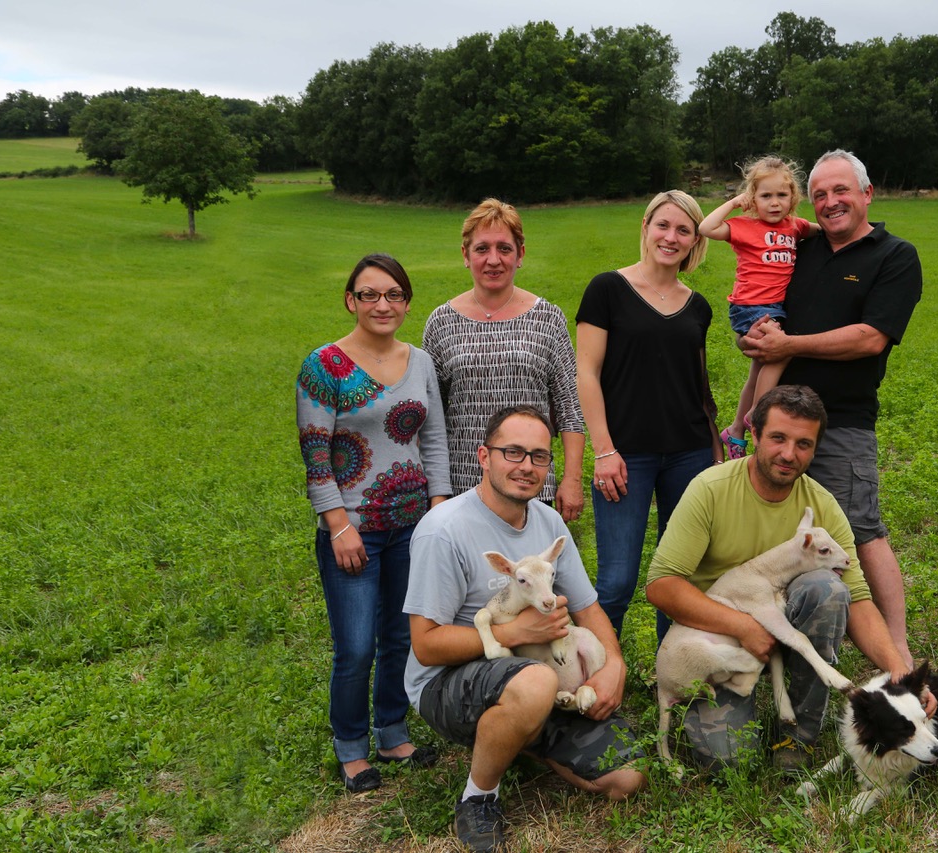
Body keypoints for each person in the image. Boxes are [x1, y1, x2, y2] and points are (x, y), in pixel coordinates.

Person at [646, 385, 929, 774]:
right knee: (726, 763)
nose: (788, 454)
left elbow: (859, 597)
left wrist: (900, 672)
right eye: (778, 438)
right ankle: (729, 701)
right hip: (719, 641)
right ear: (755, 434)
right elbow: (662, 584)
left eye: (803, 444)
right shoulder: (709, 490)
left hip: (783, 623)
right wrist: (743, 627)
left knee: (828, 589)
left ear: (814, 450)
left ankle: (797, 736)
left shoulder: (822, 504)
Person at [405, 405, 644, 853]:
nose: (526, 467)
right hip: (447, 683)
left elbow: (589, 607)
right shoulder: (443, 531)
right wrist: (515, 633)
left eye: (538, 456)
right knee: (537, 680)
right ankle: (478, 798)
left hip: (532, 674)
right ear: (483, 456)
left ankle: (524, 734)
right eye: (512, 452)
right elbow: (426, 646)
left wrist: (614, 664)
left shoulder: (548, 522)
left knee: (626, 778)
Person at [742, 149, 923, 668]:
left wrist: (790, 345)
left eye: (841, 190)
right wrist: (756, 338)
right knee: (777, 536)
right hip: (779, 421)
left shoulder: (894, 256)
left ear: (867, 194)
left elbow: (871, 338)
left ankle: (897, 653)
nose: (830, 202)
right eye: (819, 194)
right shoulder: (804, 247)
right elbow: (767, 311)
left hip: (841, 422)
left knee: (861, 531)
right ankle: (786, 642)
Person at [296, 253, 451, 792]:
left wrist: (439, 507)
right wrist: (339, 525)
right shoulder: (326, 366)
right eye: (369, 294)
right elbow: (316, 453)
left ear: (406, 303)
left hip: (413, 525)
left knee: (400, 636)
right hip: (354, 529)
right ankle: (351, 746)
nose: (382, 304)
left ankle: (392, 732)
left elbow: (433, 440)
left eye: (393, 295)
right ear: (350, 301)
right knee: (357, 645)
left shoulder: (422, 362)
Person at [576, 189, 722, 641]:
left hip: (689, 455)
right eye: (663, 225)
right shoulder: (607, 289)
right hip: (625, 457)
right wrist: (604, 451)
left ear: (695, 241)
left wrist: (717, 452)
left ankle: (675, 677)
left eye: (684, 230)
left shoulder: (698, 306)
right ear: (645, 227)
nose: (671, 236)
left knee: (677, 579)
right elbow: (586, 373)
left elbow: (699, 388)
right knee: (616, 582)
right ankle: (600, 679)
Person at [423, 198, 585, 522]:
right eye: (482, 249)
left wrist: (572, 479)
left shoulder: (548, 319)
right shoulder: (440, 322)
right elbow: (432, 422)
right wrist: (437, 493)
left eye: (504, 249)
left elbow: (570, 410)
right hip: (462, 489)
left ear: (520, 254)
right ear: (465, 255)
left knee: (528, 573)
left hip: (531, 485)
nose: (493, 260)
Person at [699, 155, 818, 460]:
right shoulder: (745, 226)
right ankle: (756, 412)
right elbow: (706, 228)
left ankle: (736, 431)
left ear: (793, 197)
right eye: (766, 196)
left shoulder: (796, 226)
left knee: (757, 372)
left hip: (775, 307)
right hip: (750, 306)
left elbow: (828, 231)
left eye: (782, 195)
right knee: (783, 350)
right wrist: (735, 203)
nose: (774, 202)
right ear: (754, 198)